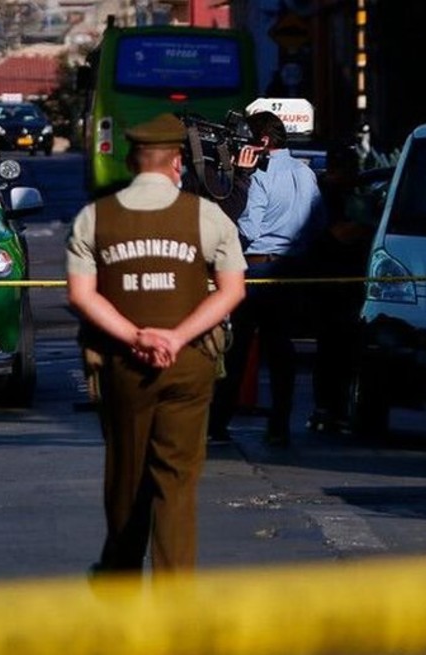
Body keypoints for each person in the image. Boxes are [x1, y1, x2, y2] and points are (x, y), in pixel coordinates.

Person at [67, 113, 247, 575]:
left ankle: (122, 575)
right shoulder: (207, 215)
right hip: (189, 365)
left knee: (126, 476)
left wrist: (136, 336)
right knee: (177, 480)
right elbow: (232, 291)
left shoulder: (94, 217)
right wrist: (176, 336)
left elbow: (81, 295)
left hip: (123, 365)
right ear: (177, 163)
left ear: (131, 161)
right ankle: (174, 597)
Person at [207, 110, 324, 447]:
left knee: (238, 349)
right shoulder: (305, 173)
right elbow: (317, 224)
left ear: (262, 142)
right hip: (293, 270)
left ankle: (219, 423)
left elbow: (249, 228)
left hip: (256, 268)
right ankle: (280, 424)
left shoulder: (259, 175)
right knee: (280, 350)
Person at [306, 144, 374, 434]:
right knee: (330, 350)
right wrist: (368, 224)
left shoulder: (348, 193)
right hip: (329, 283)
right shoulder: (325, 194)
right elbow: (340, 233)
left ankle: (336, 408)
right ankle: (326, 408)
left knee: (344, 351)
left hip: (349, 284)